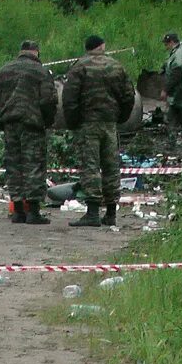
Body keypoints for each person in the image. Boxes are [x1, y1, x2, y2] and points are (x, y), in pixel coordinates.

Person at [62, 35, 134, 228]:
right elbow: (129, 95)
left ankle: (92, 212)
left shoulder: (79, 67)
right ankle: (111, 213)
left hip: (88, 123)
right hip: (110, 123)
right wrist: (121, 117)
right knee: (111, 166)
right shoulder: (117, 66)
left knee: (90, 166)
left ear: (87, 48)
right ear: (102, 46)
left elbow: (69, 98)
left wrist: (74, 122)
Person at [0, 40, 57, 224]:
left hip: (10, 123)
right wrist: (47, 121)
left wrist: (0, 117)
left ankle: (18, 209)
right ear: (37, 52)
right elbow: (48, 100)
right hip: (32, 124)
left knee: (14, 164)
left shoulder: (5, 70)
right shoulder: (41, 72)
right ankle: (33, 211)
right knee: (33, 164)